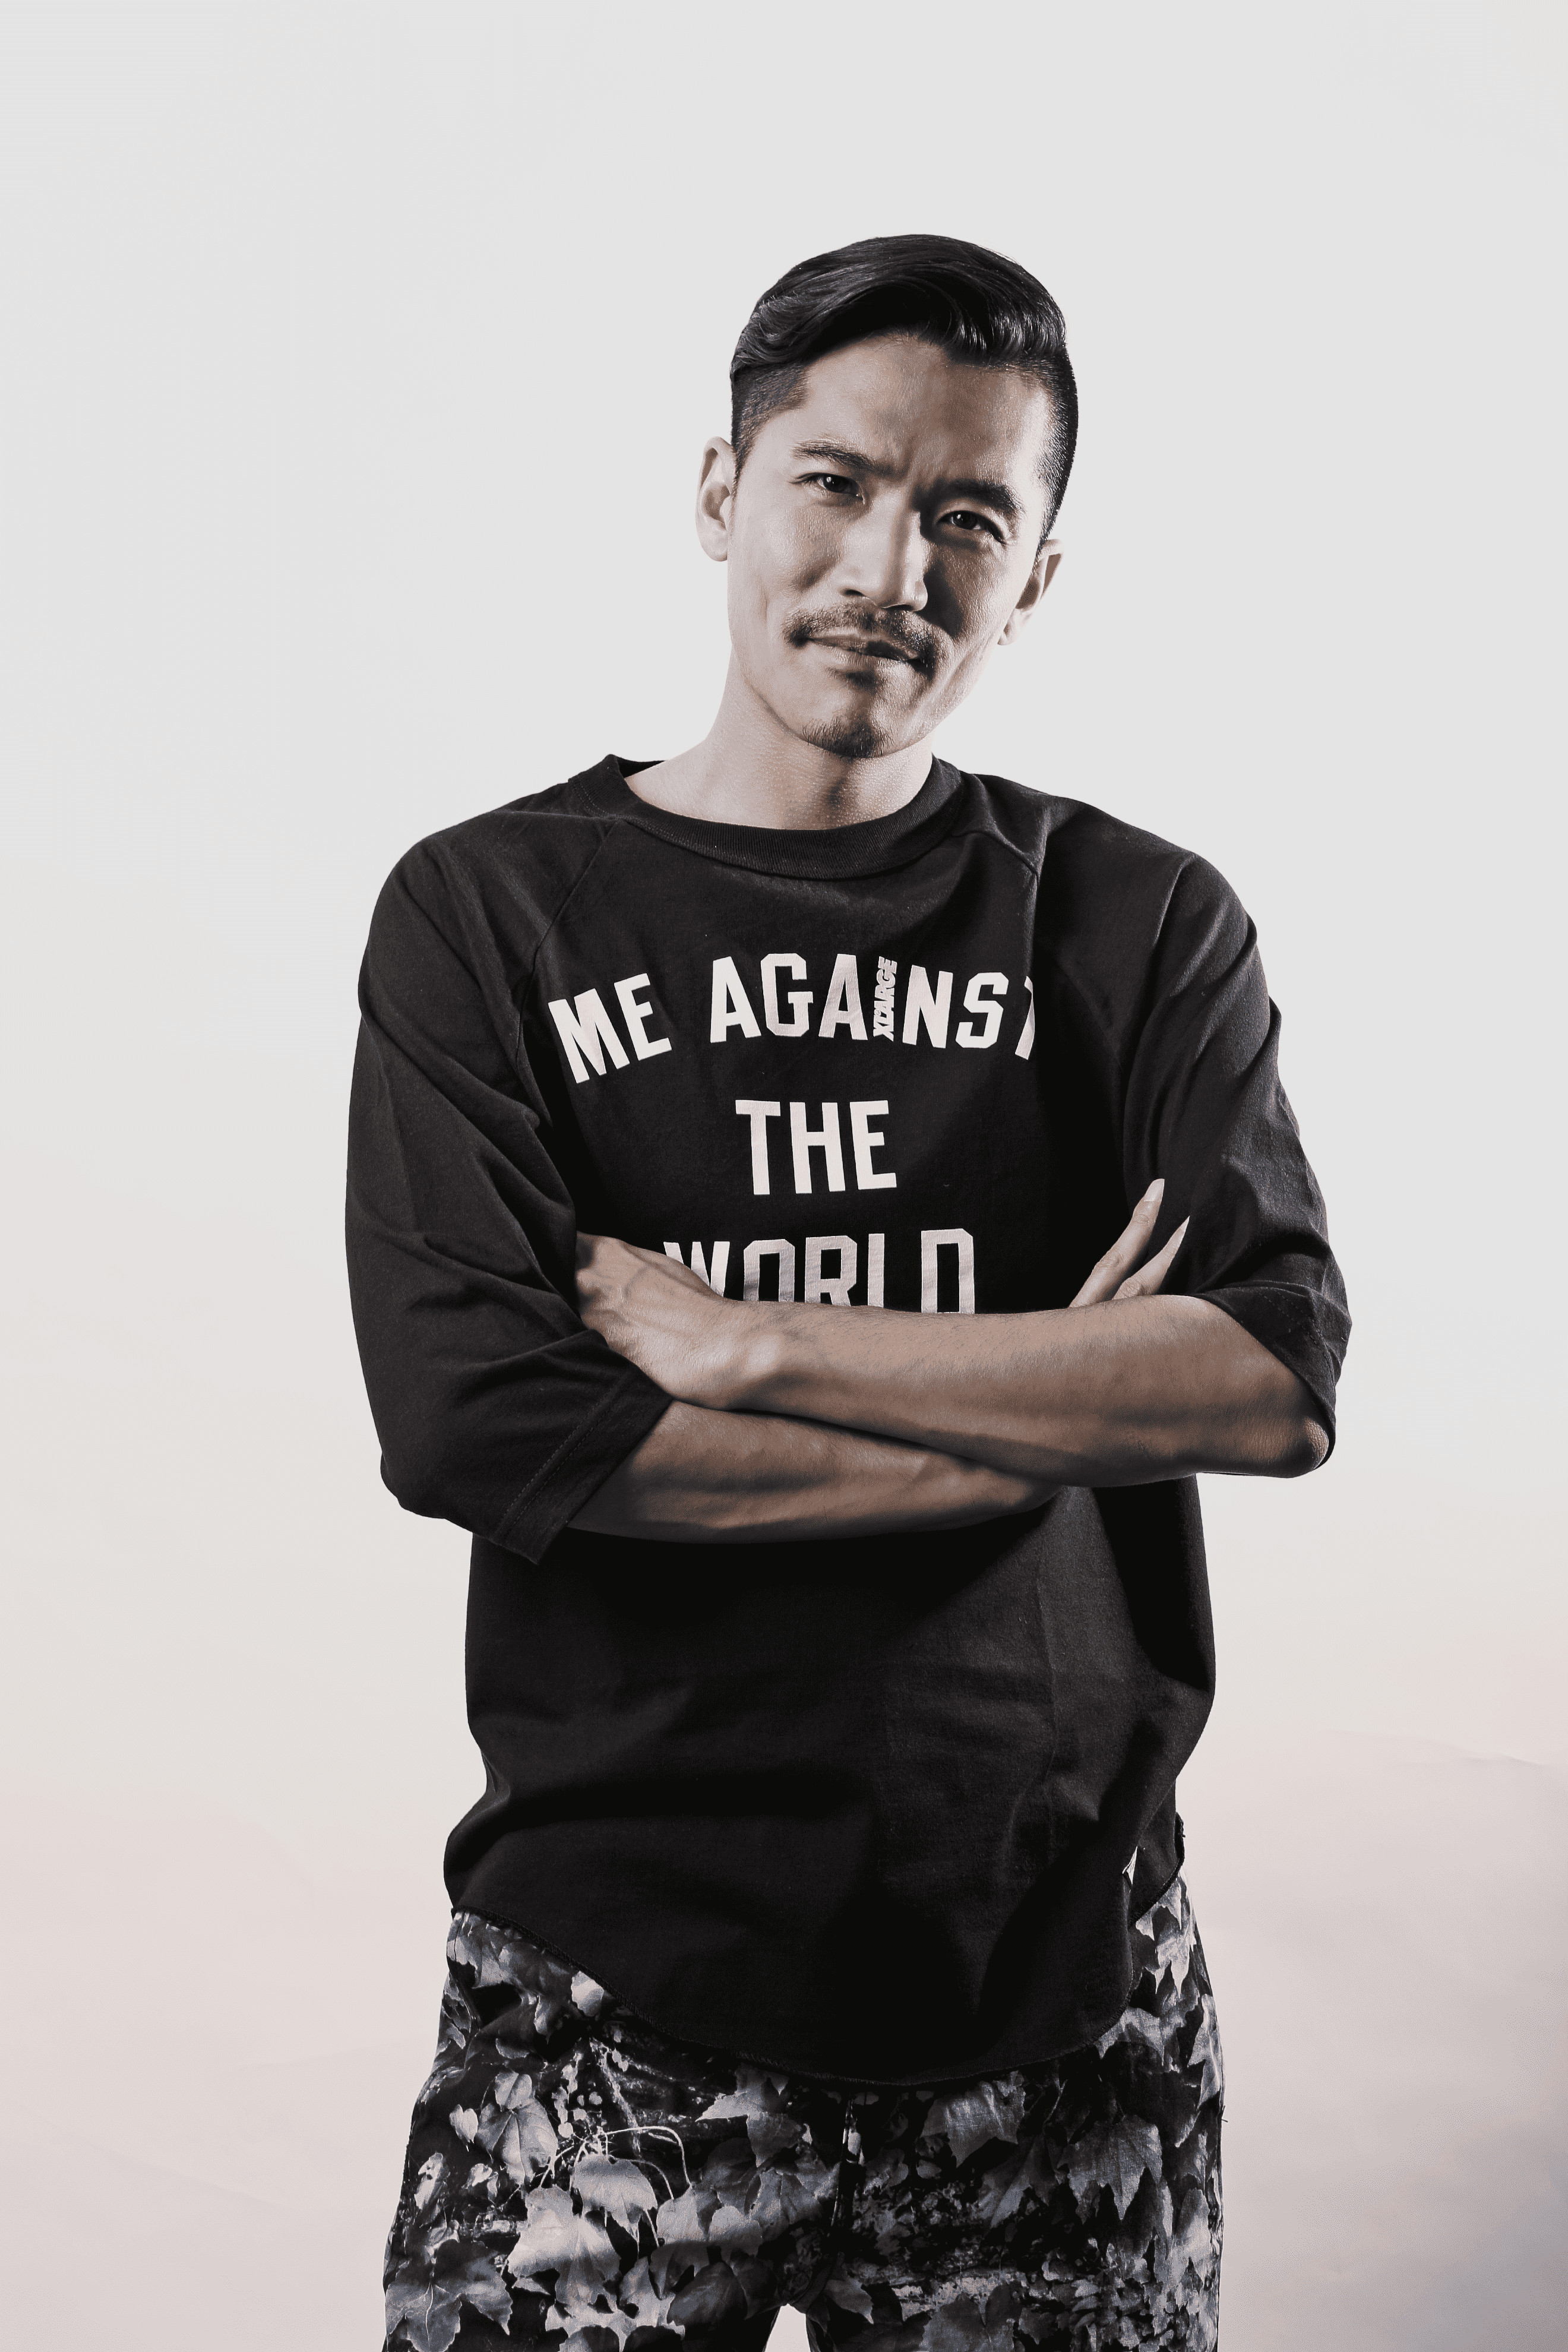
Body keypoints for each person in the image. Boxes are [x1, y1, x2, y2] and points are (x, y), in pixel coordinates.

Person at [347, 234, 1348, 2352]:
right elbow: (490, 1429)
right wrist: (1027, 1431)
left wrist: (759, 1347)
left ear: (1038, 570)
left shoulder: (1136, 925)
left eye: (969, 516)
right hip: (606, 1993)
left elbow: (1264, 1373)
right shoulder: (489, 916)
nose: (893, 568)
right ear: (723, 489)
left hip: (1057, 1993)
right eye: (838, 480)